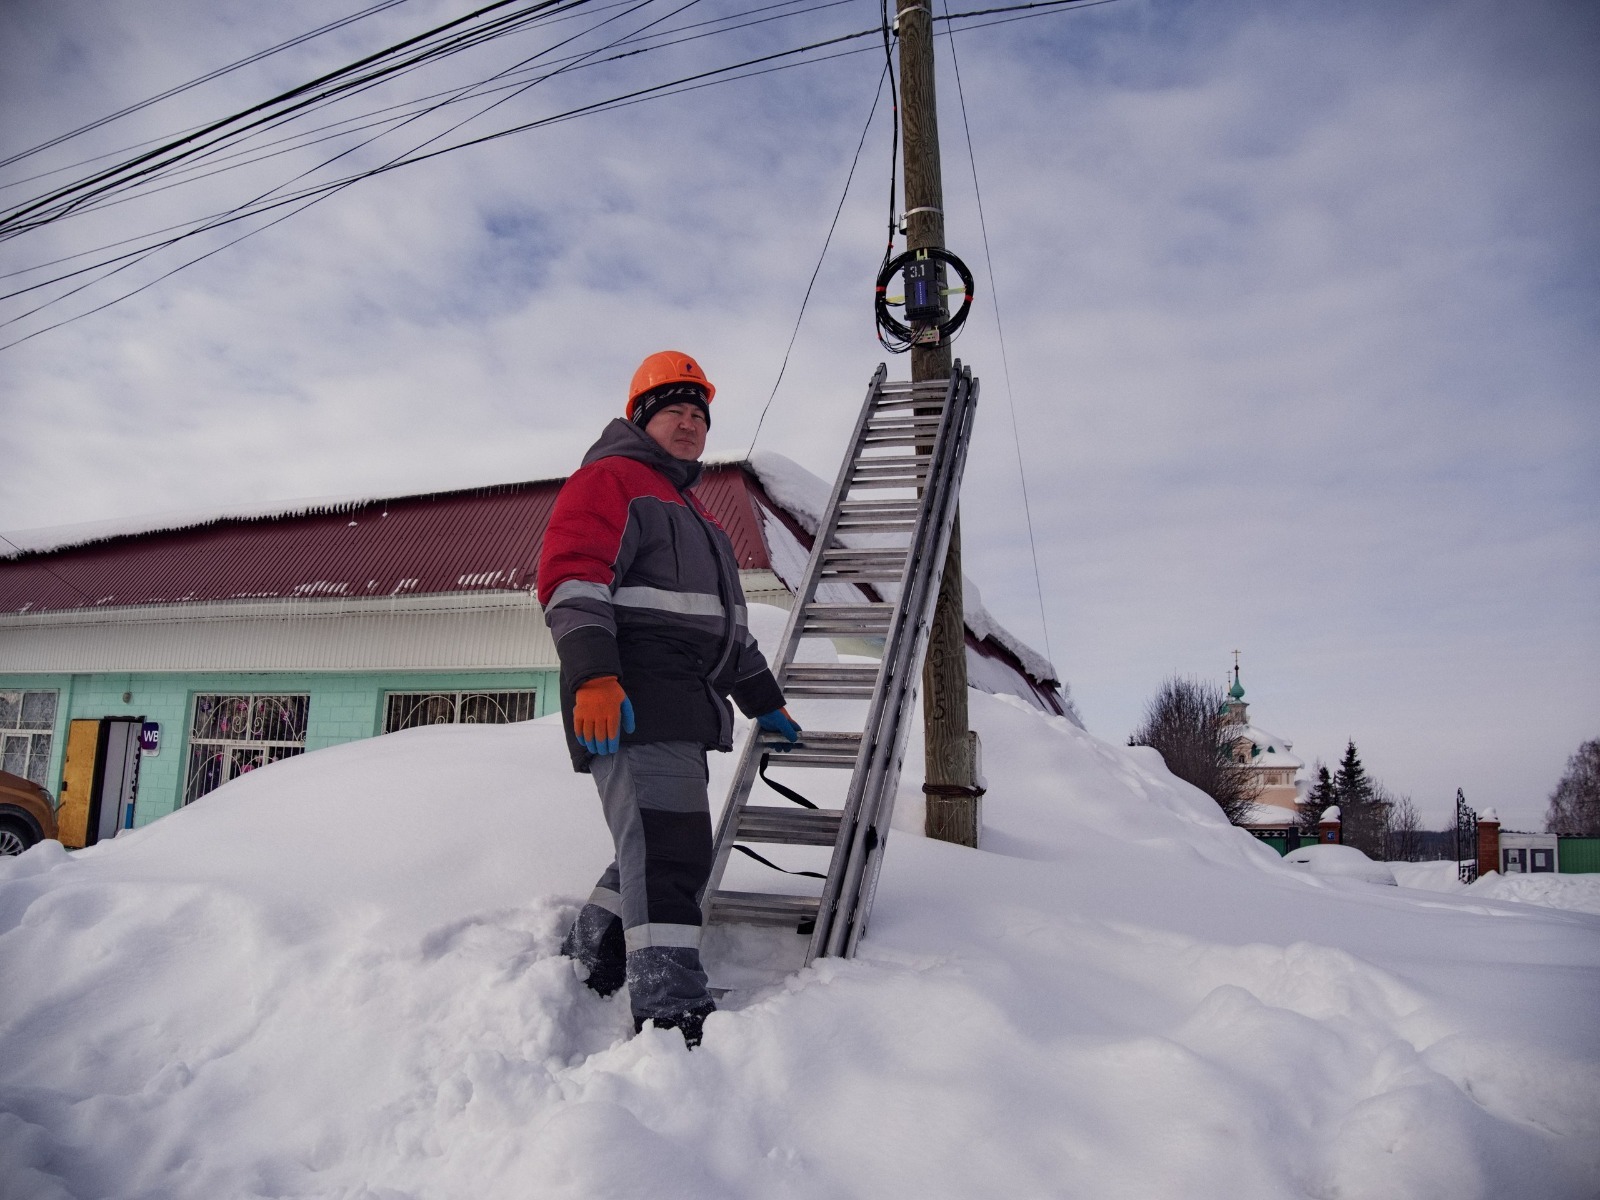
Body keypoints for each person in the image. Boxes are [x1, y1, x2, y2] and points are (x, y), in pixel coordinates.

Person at [537, 350, 800, 1047]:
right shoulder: (611, 481)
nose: (689, 423)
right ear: (642, 418)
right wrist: (593, 675)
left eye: (698, 414)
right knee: (672, 852)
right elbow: (572, 579)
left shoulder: (693, 514)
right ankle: (670, 1008)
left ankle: (594, 952)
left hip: (681, 704)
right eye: (675, 411)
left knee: (651, 843)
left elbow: (722, 631)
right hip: (632, 698)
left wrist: (763, 700)